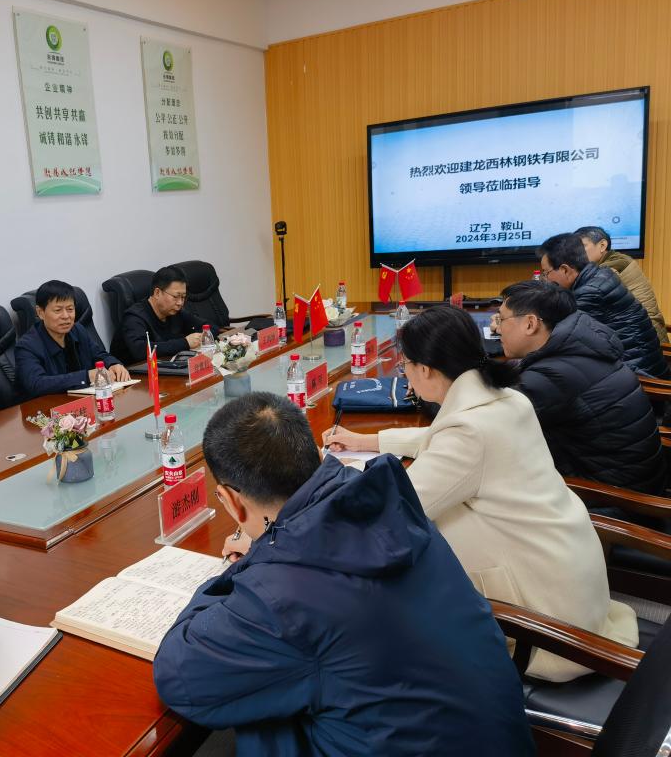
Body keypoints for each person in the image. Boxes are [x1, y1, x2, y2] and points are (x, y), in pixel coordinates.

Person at [153, 392, 534, 756]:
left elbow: (181, 679)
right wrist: (267, 549)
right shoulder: (384, 501)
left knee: (262, 705)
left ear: (230, 500)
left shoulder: (282, 596)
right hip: (497, 737)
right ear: (315, 456)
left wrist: (242, 569)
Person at [325, 305, 638, 682]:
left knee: (379, 580)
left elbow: (395, 506)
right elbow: (443, 439)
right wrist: (369, 441)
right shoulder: (506, 400)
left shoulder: (468, 431)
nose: (404, 374)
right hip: (571, 581)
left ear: (426, 368)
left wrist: (332, 476)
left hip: (543, 624)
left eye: (405, 365)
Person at [498, 280, 665, 494]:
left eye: (501, 319)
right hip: (635, 479)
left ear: (530, 324)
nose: (497, 328)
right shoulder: (583, 343)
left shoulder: (553, 376)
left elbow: (490, 421)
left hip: (612, 499)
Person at [537, 232, 669, 378]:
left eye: (546, 273)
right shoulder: (600, 275)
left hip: (640, 374)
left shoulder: (591, 292)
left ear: (565, 270)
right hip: (641, 363)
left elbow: (560, 336)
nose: (545, 279)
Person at [15, 280, 130, 397]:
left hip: (82, 401)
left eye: (70, 309)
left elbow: (99, 354)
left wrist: (113, 364)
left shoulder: (78, 330)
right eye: (58, 310)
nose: (66, 316)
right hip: (48, 406)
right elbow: (36, 384)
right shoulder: (27, 346)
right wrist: (86, 377)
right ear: (40, 312)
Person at [575, 225, 668, 344]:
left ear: (602, 245)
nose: (576, 254)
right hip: (640, 331)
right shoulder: (619, 259)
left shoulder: (613, 268)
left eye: (582, 247)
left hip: (644, 336)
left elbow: (585, 302)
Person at [113, 265, 204, 363]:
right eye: (176, 296)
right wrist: (185, 343)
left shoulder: (175, 311)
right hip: (134, 370)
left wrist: (201, 337)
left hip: (166, 365)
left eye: (183, 297)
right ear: (157, 293)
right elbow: (140, 351)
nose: (180, 303)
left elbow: (208, 327)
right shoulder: (134, 318)